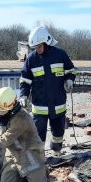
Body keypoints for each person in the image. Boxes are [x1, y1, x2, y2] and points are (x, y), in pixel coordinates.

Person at [18, 26, 76, 155]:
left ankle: (57, 152)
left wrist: (70, 80)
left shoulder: (60, 55)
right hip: (40, 106)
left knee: (58, 132)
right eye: (35, 47)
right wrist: (23, 95)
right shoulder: (31, 59)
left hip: (58, 104)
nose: (37, 49)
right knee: (38, 134)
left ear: (46, 42)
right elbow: (25, 80)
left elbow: (70, 71)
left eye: (39, 46)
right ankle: (39, 156)